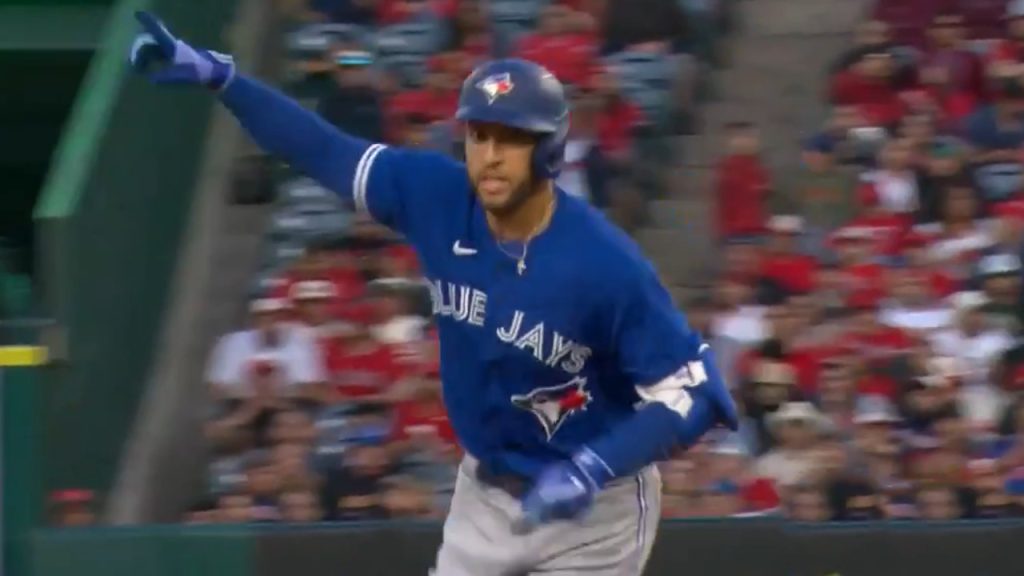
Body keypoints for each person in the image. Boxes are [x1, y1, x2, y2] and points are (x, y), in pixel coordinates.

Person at [129, 12, 737, 575]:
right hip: (484, 492)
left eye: (512, 138)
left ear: (549, 149)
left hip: (594, 512)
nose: (491, 157)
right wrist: (226, 80)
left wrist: (593, 467)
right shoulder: (438, 195)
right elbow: (324, 151)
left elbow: (696, 395)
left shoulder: (606, 264)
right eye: (479, 136)